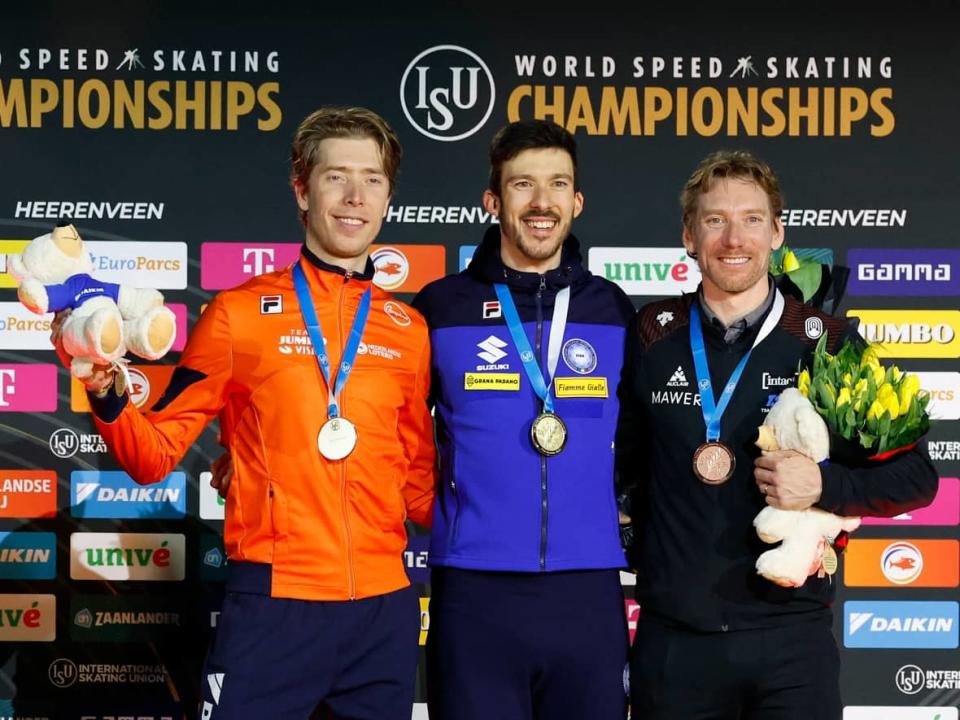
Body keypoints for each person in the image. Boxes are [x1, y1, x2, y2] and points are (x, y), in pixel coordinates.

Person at [51, 107, 435, 720]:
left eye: (373, 179)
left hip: (384, 612)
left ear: (389, 194)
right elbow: (153, 458)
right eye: (336, 176)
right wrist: (107, 394)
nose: (355, 197)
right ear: (301, 188)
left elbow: (419, 482)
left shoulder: (408, 329)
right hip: (276, 606)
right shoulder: (236, 314)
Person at [617, 150, 939, 719]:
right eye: (715, 220)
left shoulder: (827, 342)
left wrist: (822, 484)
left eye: (752, 219)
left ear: (777, 232)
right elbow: (624, 468)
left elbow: (917, 478)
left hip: (790, 643)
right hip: (674, 640)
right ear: (689, 236)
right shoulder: (651, 333)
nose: (733, 238)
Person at [411, 120, 636, 720]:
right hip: (474, 590)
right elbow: (392, 431)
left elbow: (647, 435)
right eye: (523, 185)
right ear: (493, 201)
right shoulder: (440, 307)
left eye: (558, 184)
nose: (542, 203)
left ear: (577, 202)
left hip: (587, 590)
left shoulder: (612, 309)